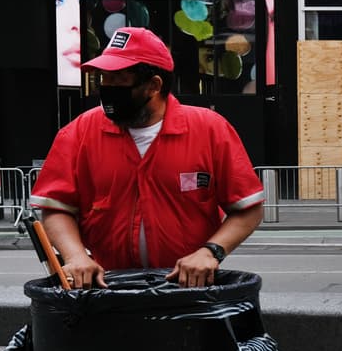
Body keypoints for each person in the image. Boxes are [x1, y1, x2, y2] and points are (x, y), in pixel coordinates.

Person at [30, 26, 265, 289]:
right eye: (103, 79)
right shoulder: (79, 133)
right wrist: (75, 257)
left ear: (154, 85)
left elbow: (248, 209)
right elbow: (55, 208)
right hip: (106, 291)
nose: (106, 88)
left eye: (118, 79)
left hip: (187, 292)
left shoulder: (210, 130)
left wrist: (211, 252)